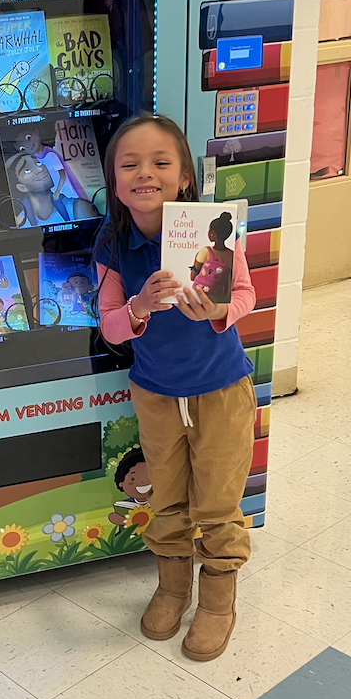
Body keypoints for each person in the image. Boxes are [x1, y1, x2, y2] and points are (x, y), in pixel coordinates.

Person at [93, 113, 256, 662]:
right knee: (167, 496)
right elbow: (109, 322)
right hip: (156, 394)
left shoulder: (215, 229)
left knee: (218, 500)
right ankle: (173, 586)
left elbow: (246, 295)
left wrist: (218, 310)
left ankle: (217, 599)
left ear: (184, 175)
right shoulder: (113, 241)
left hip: (221, 389)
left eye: (161, 162)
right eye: (130, 164)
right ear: (114, 180)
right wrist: (138, 306)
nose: (146, 173)